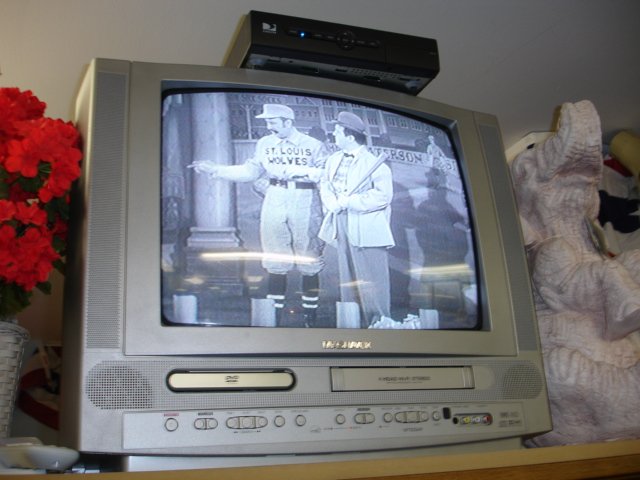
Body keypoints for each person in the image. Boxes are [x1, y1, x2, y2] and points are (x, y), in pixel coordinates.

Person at [191, 104, 328, 326]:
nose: (269, 126)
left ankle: (309, 316)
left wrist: (306, 176)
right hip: (275, 196)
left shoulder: (313, 145)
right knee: (275, 256)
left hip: (305, 198)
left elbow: (327, 174)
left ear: (288, 122)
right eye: (267, 122)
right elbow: (250, 171)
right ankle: (274, 316)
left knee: (309, 258)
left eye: (273, 122)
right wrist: (216, 169)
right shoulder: (265, 143)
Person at [319, 111, 395, 327]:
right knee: (348, 278)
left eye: (337, 131)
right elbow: (325, 184)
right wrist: (332, 202)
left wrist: (349, 202)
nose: (333, 134)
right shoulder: (333, 159)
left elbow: (383, 197)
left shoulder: (375, 164)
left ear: (350, 136)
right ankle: (352, 325)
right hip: (340, 222)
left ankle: (379, 325)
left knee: (372, 281)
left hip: (367, 226)